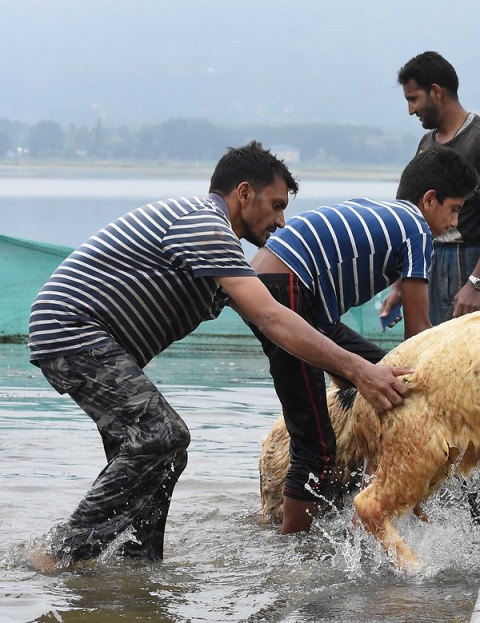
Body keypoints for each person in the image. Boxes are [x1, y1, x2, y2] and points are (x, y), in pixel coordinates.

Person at [26, 141, 413, 571]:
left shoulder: (219, 244)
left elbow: (291, 327)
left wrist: (350, 372)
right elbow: (272, 318)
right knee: (162, 436)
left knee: (164, 456)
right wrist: (362, 372)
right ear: (244, 194)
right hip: (72, 328)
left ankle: (139, 564)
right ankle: (55, 556)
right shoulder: (205, 225)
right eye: (276, 204)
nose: (282, 220)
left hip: (89, 338)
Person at [248, 146, 480, 534]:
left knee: (382, 377)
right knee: (315, 442)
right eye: (454, 209)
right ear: (429, 200)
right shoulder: (418, 229)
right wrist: (454, 380)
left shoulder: (393, 216)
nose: (453, 222)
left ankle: (364, 496)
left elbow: (393, 357)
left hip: (292, 292)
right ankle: (294, 549)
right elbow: (419, 334)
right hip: (286, 290)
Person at [394, 50, 480, 325]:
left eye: (414, 99)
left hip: (468, 260)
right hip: (428, 260)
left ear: (436, 92)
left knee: (473, 357)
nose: (411, 110)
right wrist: (399, 284)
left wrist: (477, 281)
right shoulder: (426, 145)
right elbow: (411, 217)